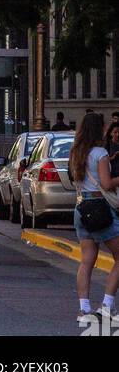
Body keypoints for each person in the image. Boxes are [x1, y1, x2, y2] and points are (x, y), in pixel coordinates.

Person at [69, 111, 119, 325]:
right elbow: (107, 184)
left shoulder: (76, 152)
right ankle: (107, 305)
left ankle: (84, 308)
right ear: (99, 129)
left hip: (80, 208)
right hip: (99, 207)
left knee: (87, 260)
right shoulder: (100, 152)